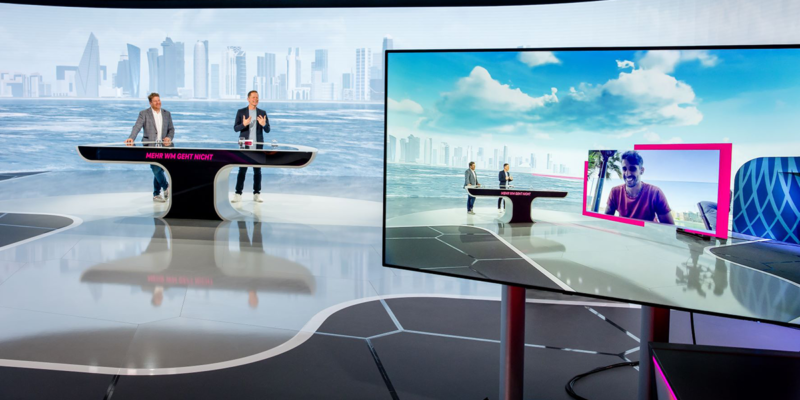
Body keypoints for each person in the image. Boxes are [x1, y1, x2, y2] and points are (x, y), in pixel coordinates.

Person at [126, 93, 175, 202]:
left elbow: (171, 129)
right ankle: (166, 187)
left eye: (159, 100)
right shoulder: (144, 113)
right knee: (155, 168)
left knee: (160, 169)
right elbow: (137, 127)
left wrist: (169, 137)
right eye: (155, 101)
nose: (158, 102)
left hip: (165, 147)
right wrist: (131, 138)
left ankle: (156, 194)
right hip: (151, 147)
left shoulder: (167, 114)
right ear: (150, 103)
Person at [605, 150, 675, 224]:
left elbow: (670, 227)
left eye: (632, 169)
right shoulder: (615, 192)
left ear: (641, 171)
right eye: (624, 169)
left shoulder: (655, 193)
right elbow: (606, 221)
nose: (627, 173)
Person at [233, 90, 271, 203]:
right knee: (242, 170)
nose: (255, 99)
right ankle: (238, 194)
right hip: (244, 145)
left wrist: (264, 125)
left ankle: (257, 194)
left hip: (258, 145)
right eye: (253, 97)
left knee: (257, 170)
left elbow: (268, 130)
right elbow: (235, 128)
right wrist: (243, 124)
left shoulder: (262, 113)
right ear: (248, 99)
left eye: (257, 97)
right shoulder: (241, 112)